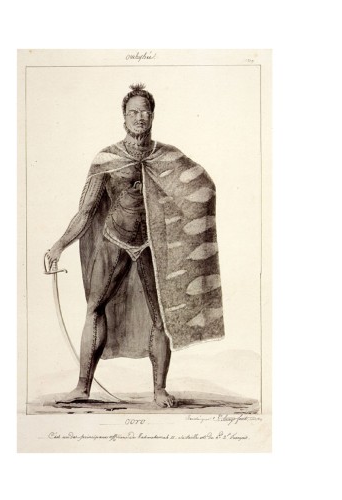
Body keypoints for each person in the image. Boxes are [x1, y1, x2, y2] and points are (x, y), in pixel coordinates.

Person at [44, 84, 225, 408]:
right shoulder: (108, 159)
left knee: (160, 319)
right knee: (94, 308)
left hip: (153, 246)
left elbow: (203, 187)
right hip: (114, 241)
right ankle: (82, 387)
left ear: (152, 115)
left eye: (145, 112)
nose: (140, 117)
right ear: (124, 118)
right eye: (133, 112)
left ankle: (159, 390)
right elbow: (86, 210)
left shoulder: (168, 156)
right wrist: (59, 245)